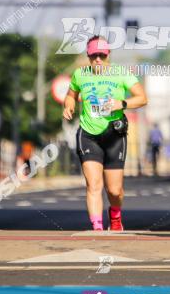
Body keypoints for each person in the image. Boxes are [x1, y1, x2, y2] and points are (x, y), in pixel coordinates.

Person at [62, 36, 148, 231]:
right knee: (93, 184)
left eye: (102, 55)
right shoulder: (80, 74)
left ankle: (115, 216)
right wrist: (69, 106)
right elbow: (71, 95)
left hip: (114, 135)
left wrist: (122, 104)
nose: (98, 60)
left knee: (115, 190)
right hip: (88, 134)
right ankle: (97, 226)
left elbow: (142, 98)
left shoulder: (121, 73)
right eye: (94, 56)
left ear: (108, 55)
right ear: (88, 56)